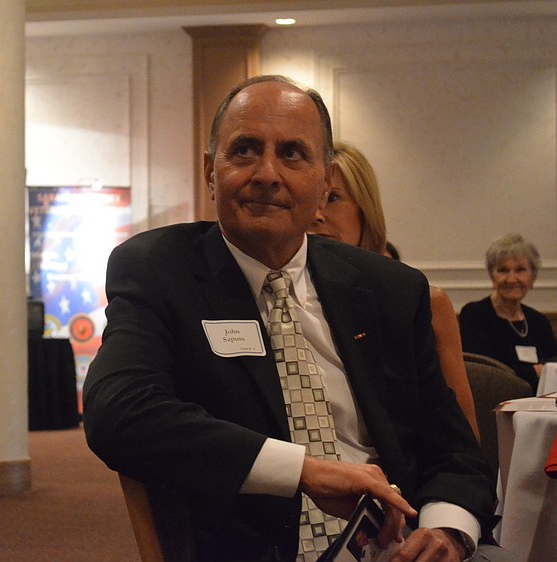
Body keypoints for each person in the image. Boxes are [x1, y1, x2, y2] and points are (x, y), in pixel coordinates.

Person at [84, 75, 501, 562]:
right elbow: (119, 411)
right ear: (210, 172)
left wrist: (446, 531)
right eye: (244, 150)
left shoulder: (389, 289)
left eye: (292, 154)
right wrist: (302, 470)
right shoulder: (160, 271)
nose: (266, 172)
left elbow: (456, 452)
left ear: (325, 184)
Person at [309, 140, 480, 441]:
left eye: (333, 198)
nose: (317, 214)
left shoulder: (424, 303)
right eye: (310, 199)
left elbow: (463, 442)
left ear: (365, 211)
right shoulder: (284, 301)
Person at [459, 233, 557, 394]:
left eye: (520, 270)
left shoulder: (538, 320)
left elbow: (553, 366)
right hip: (494, 405)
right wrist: (534, 371)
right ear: (492, 276)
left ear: (532, 277)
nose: (511, 279)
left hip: (539, 405)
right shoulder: (475, 315)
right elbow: (485, 372)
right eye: (503, 270)